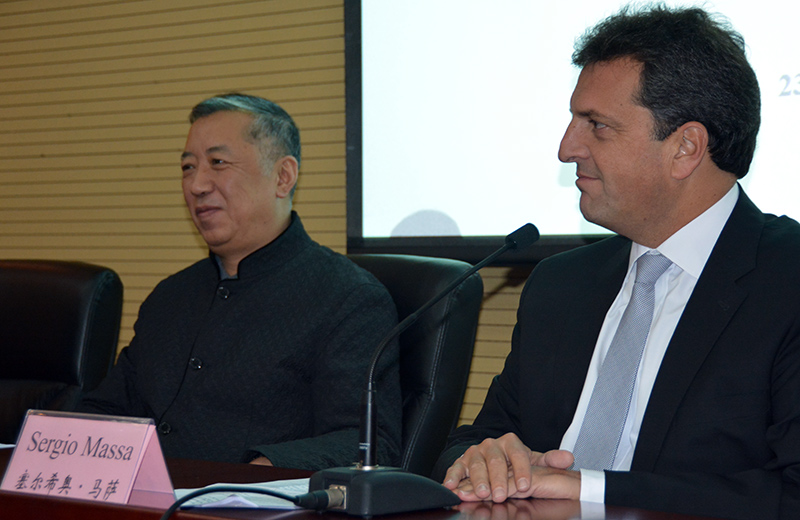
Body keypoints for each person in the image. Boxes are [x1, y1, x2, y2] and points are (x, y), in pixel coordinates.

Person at [433, 5, 800, 519]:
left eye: (597, 126)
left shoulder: (787, 280)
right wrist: (480, 460)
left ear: (685, 148)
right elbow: (480, 436)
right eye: (572, 119)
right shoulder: (560, 284)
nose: (566, 148)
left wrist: (591, 489)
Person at [78, 93, 402, 471]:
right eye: (187, 167)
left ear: (283, 176)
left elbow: (366, 443)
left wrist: (256, 474)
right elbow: (109, 408)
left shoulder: (348, 298)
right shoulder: (170, 296)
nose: (197, 185)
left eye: (217, 163)